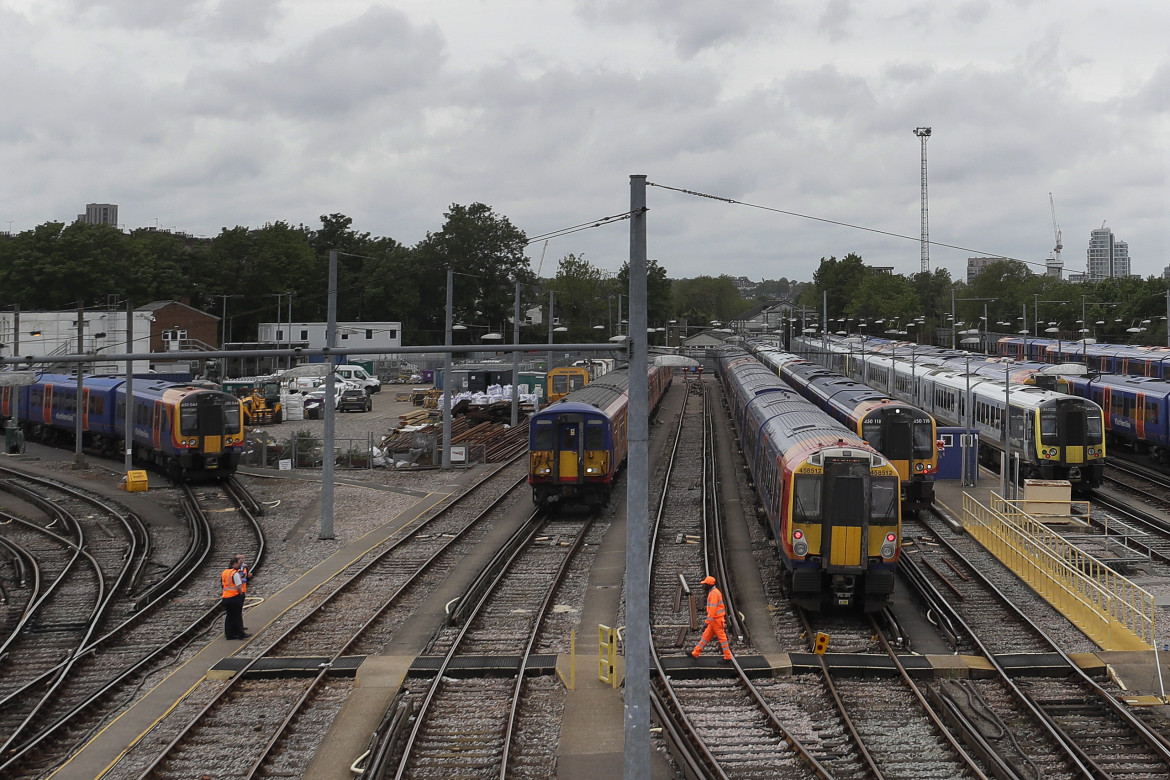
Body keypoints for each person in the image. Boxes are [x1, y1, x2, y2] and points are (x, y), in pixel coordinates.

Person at [691, 575, 732, 661]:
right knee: (706, 637)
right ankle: (695, 653)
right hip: (715, 620)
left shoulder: (713, 594)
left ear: (709, 585)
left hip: (716, 620)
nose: (703, 586)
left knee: (722, 639)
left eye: (705, 584)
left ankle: (728, 657)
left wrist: (707, 622)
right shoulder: (714, 592)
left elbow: (712, 610)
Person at [221, 557, 249, 640]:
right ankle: (241, 633)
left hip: (225, 597)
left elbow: (222, 585)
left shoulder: (224, 572)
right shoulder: (235, 573)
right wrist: (241, 594)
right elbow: (239, 586)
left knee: (229, 616)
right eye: (238, 563)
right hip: (234, 597)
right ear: (234, 564)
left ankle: (229, 634)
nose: (239, 565)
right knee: (237, 616)